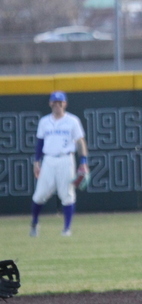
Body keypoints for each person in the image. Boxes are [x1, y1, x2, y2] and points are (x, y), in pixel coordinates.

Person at [29, 91, 89, 237]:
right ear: (50, 104)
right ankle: (34, 224)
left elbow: (80, 142)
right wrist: (37, 162)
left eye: (60, 103)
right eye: (55, 103)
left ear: (65, 103)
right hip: (48, 160)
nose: (57, 105)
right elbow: (40, 143)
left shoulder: (72, 121)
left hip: (66, 159)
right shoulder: (44, 121)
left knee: (67, 195)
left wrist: (83, 162)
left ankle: (66, 229)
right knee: (39, 195)